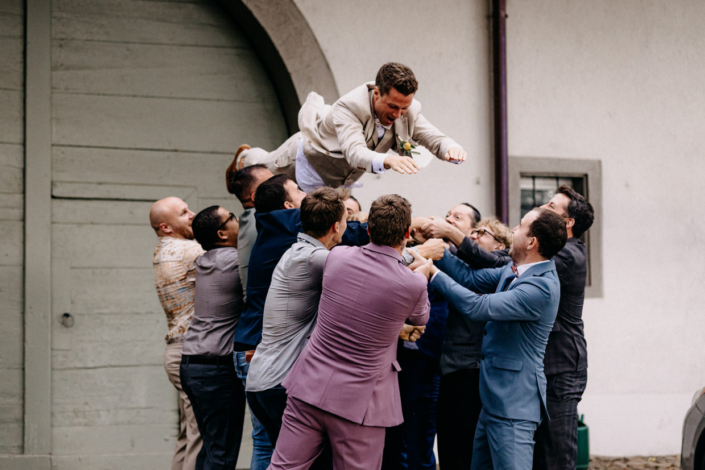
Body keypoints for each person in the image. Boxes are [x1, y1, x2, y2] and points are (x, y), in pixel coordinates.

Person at [424, 187, 595, 469]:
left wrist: (433, 272)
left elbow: (478, 307)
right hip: (493, 398)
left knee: (555, 457)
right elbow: (471, 278)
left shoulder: (544, 279)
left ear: (532, 242)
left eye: (520, 227)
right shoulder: (516, 268)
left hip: (519, 400)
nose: (512, 229)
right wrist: (436, 252)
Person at [269, 194, 431, 470]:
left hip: (309, 384)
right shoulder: (413, 283)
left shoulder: (338, 256)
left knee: (283, 467)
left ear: (368, 229)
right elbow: (420, 317)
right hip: (360, 401)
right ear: (406, 233)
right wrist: (422, 274)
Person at [232, 62, 467, 192]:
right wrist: (389, 160)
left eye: (404, 108)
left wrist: (450, 148)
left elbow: (431, 136)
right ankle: (244, 156)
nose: (398, 115)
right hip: (303, 160)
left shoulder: (408, 110)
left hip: (336, 182)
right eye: (393, 106)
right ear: (377, 93)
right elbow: (354, 152)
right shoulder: (349, 107)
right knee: (260, 168)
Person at [245, 187, 348, 446]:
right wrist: (414, 256)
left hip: (262, 380)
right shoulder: (315, 257)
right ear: (336, 226)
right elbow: (369, 270)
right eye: (347, 220)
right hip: (278, 382)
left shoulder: (296, 251)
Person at [180, 206, 246, 470]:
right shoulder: (233, 260)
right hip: (216, 369)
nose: (239, 220)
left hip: (193, 365)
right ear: (221, 233)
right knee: (221, 455)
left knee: (210, 450)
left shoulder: (205, 259)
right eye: (232, 218)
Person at [225, 163, 276, 470]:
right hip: (259, 344)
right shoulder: (264, 225)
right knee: (268, 439)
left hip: (250, 343)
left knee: (264, 438)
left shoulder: (251, 222)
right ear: (258, 194)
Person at [150, 197, 204, 470]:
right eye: (184, 213)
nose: (193, 215)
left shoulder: (164, 250)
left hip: (178, 351)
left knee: (189, 434)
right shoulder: (188, 250)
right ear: (166, 227)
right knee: (200, 436)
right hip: (189, 352)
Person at [225, 163, 274, 300]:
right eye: (272, 184)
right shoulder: (263, 222)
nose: (280, 185)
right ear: (255, 196)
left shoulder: (249, 218)